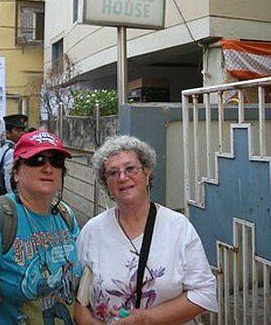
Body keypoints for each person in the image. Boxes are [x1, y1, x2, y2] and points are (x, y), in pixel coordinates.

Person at [75, 135, 218, 324]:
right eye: (112, 173)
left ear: (147, 172)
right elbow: (75, 300)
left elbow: (204, 293)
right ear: (106, 184)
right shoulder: (92, 231)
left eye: (130, 168)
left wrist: (147, 319)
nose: (122, 177)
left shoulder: (177, 226)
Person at [0, 129, 82, 324]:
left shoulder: (65, 215)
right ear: (16, 172)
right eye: (37, 160)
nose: (48, 168)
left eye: (56, 161)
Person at [0, 114, 27, 193]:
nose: (21, 134)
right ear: (8, 133)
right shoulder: (11, 152)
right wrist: (13, 198)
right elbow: (8, 179)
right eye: (17, 131)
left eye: (22, 130)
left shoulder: (5, 148)